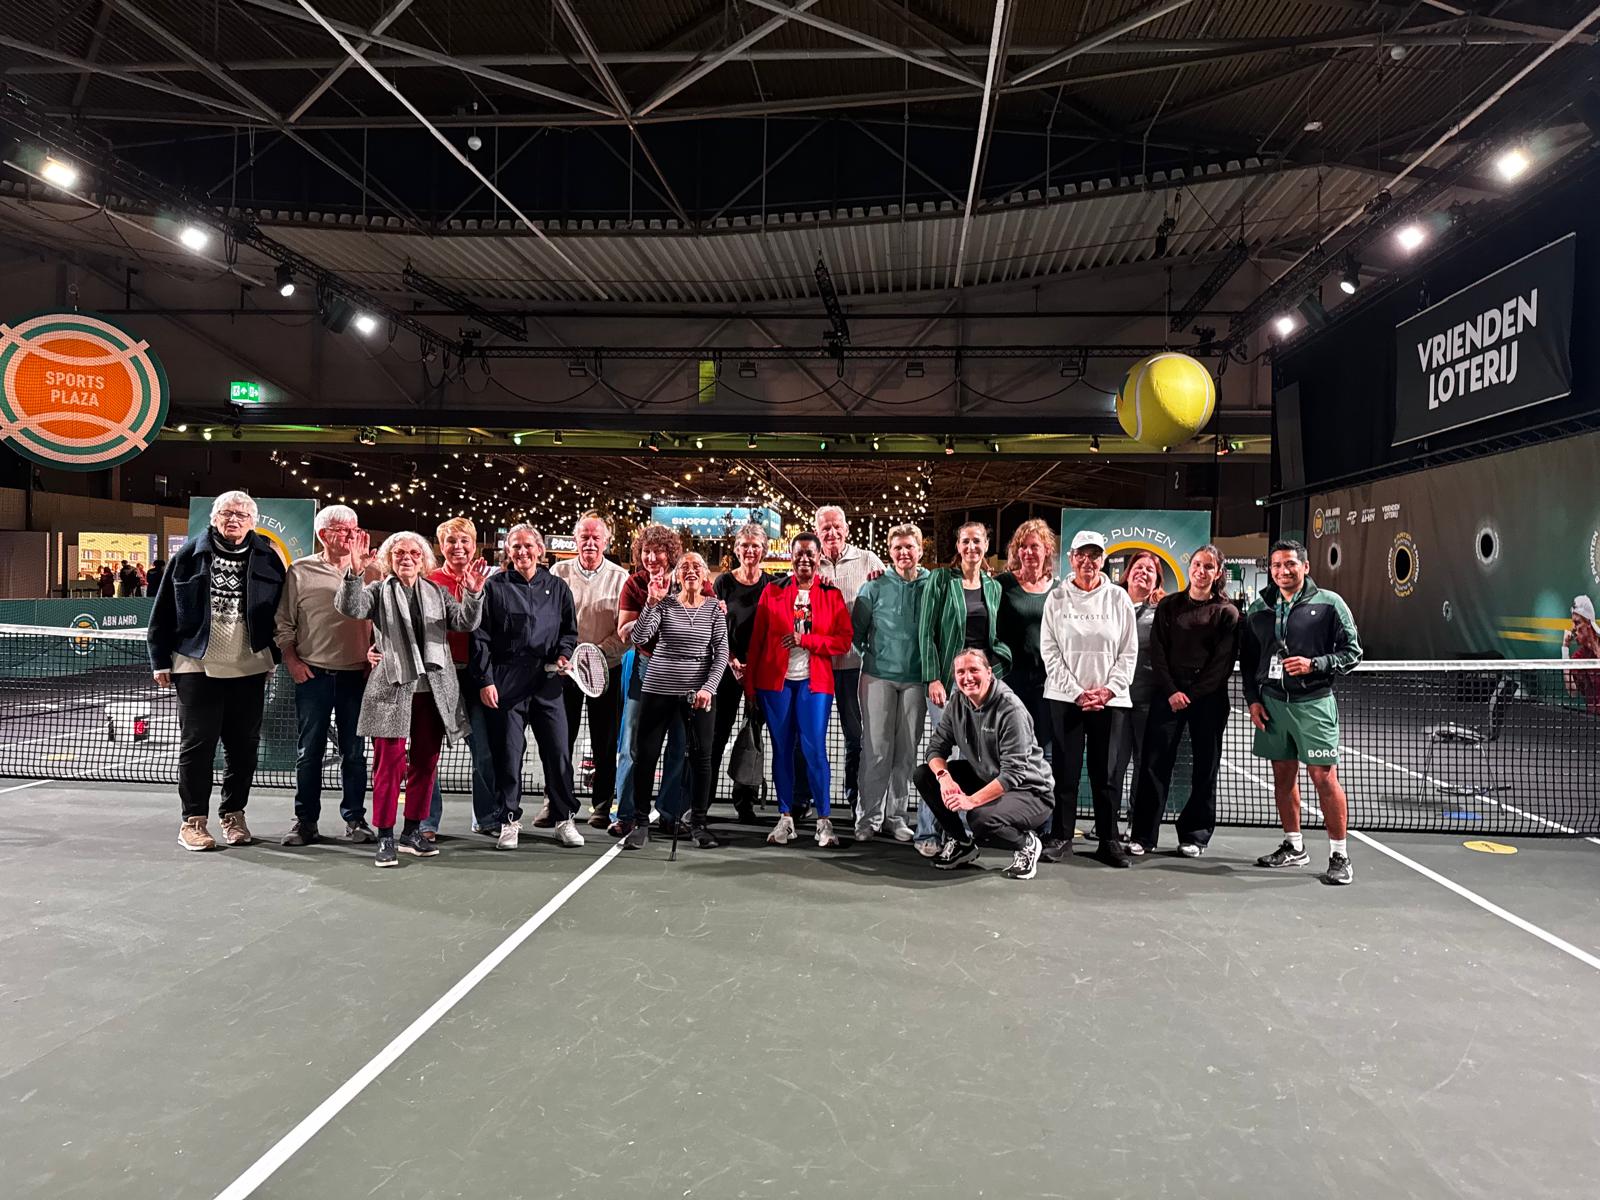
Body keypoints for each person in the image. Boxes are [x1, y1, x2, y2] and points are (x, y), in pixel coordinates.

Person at [337, 529, 487, 867]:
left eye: (414, 553)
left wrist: (474, 594)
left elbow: (464, 622)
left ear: (423, 560)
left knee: (426, 763)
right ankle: (386, 835)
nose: (407, 558)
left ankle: (413, 831)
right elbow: (350, 607)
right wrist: (355, 572)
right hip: (391, 690)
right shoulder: (376, 591)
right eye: (399, 552)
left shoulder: (436, 590)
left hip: (433, 691)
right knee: (387, 766)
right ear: (389, 559)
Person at [148, 491, 285, 852]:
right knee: (198, 747)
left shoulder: (269, 559)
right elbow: (162, 611)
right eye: (226, 513)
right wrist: (159, 660)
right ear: (214, 518)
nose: (234, 520)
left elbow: (281, 616)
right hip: (195, 665)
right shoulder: (187, 556)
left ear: (252, 521)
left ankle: (233, 814)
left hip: (250, 668)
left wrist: (273, 655)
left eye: (241, 514)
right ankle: (193, 822)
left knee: (244, 748)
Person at [1240, 539, 1363, 886]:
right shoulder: (1259, 607)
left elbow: (1353, 652)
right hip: (1272, 704)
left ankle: (1340, 855)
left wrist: (1315, 664)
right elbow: (1249, 661)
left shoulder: (1329, 603)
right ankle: (1294, 847)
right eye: (1277, 565)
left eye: (1290, 564)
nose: (1283, 570)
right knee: (1283, 777)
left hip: (1314, 704)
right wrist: (1252, 699)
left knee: (1324, 778)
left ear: (1305, 567)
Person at [472, 524, 582, 852]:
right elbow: (481, 637)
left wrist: (564, 655)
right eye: (515, 547)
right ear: (508, 552)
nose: (522, 552)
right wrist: (486, 679)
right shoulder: (494, 587)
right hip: (506, 681)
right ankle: (508, 820)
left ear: (539, 550)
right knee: (508, 754)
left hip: (548, 683)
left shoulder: (558, 588)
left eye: (527, 546)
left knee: (559, 753)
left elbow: (569, 632)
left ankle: (564, 819)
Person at [275, 504, 379, 846]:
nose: (352, 535)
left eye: (355, 529)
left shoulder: (372, 571)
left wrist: (375, 658)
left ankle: (355, 819)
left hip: (357, 678)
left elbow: (382, 623)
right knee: (310, 752)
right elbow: (284, 624)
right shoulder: (300, 571)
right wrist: (292, 661)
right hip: (313, 676)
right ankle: (305, 822)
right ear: (323, 535)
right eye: (343, 530)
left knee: (354, 752)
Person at [1127, 545, 1240, 857]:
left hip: (1209, 700)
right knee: (1153, 765)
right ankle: (1143, 836)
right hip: (1168, 694)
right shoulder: (1169, 606)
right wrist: (1173, 690)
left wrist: (1192, 694)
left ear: (1218, 573)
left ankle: (1195, 835)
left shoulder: (1228, 614)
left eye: (1208, 567)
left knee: (1206, 767)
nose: (1200, 572)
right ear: (1189, 568)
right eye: (1196, 565)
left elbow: (1222, 664)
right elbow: (1159, 652)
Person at [746, 531, 853, 847]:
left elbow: (843, 641)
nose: (804, 559)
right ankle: (785, 819)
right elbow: (757, 642)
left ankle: (824, 821)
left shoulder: (831, 595)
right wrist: (751, 688)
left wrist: (806, 641)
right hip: (774, 684)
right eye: (799, 554)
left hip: (814, 682)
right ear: (790, 557)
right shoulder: (772, 591)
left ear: (819, 557)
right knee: (781, 749)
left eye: (810, 554)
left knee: (814, 749)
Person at [1040, 530, 1138, 868]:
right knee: (1065, 772)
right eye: (1082, 554)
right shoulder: (1055, 599)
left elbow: (1129, 651)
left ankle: (1109, 840)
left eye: (1095, 555)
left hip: (1111, 702)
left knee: (1108, 774)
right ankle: (1061, 837)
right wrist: (1076, 692)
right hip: (1065, 699)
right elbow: (1049, 651)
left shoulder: (1119, 599)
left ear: (1103, 559)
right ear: (1071, 558)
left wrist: (1108, 690)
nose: (1088, 561)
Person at [912, 649, 1052, 881]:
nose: (967, 677)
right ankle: (962, 843)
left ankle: (1026, 843)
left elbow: (1012, 775)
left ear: (989, 673)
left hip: (1030, 792)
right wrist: (944, 777)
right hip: (988, 777)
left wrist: (970, 801)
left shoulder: (1010, 709)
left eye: (974, 670)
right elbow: (936, 749)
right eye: (961, 672)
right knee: (924, 774)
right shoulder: (957, 702)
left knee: (979, 818)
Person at [915, 521, 1011, 854]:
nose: (971, 547)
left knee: (971, 758)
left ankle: (959, 831)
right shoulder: (941, 579)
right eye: (965, 541)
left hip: (979, 687)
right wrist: (933, 677)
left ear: (986, 545)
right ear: (958, 546)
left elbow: (993, 638)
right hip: (947, 681)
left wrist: (998, 669)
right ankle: (928, 833)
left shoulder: (993, 587)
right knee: (942, 757)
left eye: (977, 541)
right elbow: (926, 631)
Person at [624, 552, 729, 850]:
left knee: (701, 759)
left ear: (706, 576)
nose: (691, 570)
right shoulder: (665, 604)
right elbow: (641, 637)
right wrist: (651, 602)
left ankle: (698, 823)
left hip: (698, 696)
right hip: (658, 691)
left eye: (697, 566)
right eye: (685, 567)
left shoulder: (713, 610)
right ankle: (641, 823)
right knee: (646, 756)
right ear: (677, 575)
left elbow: (721, 652)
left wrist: (709, 687)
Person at [421, 517, 499, 840]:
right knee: (429, 751)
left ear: (474, 545)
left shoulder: (489, 582)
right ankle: (426, 822)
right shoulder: (426, 582)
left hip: (475, 677)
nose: (458, 547)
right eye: (451, 541)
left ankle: (486, 817)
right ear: (441, 547)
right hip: (437, 676)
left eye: (465, 541)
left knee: (484, 749)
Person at [550, 512, 630, 828]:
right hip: (565, 672)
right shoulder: (558, 573)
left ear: (606, 542)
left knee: (605, 742)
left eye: (596, 537)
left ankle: (601, 806)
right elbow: (550, 622)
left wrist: (595, 654)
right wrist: (566, 655)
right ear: (575, 540)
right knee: (559, 740)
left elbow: (625, 631)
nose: (590, 542)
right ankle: (555, 803)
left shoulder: (620, 578)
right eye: (584, 536)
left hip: (604, 671)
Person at [852, 523, 929, 842]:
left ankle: (896, 817)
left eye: (909, 547)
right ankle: (868, 817)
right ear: (890, 552)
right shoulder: (872, 587)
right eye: (897, 547)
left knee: (906, 753)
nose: (903, 553)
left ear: (920, 550)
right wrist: (877, 655)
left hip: (916, 681)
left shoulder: (933, 584)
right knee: (876, 751)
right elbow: (856, 634)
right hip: (877, 678)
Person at [614, 524, 689, 838]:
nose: (652, 557)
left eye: (658, 551)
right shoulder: (635, 584)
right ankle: (627, 813)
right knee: (632, 743)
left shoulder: (690, 579)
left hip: (684, 674)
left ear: (671, 553)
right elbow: (624, 632)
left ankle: (670, 813)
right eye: (646, 551)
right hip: (644, 668)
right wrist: (651, 605)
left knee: (680, 745)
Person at [812, 506, 885, 812]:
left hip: (855, 666)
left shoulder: (868, 559)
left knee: (856, 737)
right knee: (811, 738)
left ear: (846, 528)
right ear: (817, 532)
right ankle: (808, 798)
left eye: (836, 526)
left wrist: (883, 580)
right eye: (825, 528)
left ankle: (856, 797)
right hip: (818, 668)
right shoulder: (809, 562)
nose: (831, 532)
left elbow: (887, 597)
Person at [711, 523, 772, 823]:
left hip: (758, 675)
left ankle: (744, 802)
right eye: (745, 545)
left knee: (753, 739)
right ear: (736, 550)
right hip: (725, 671)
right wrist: (732, 659)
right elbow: (714, 626)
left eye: (756, 546)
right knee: (716, 735)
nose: (750, 551)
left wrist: (753, 667)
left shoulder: (772, 585)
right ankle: (701, 800)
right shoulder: (722, 583)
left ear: (764, 550)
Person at [1107, 549, 1165, 838]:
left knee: (1143, 766)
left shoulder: (1162, 612)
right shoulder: (1109, 605)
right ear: (1127, 573)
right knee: (1112, 766)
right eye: (1138, 567)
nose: (1143, 572)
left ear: (1156, 582)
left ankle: (1136, 824)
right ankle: (1107, 824)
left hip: (1147, 702)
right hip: (1114, 700)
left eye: (1150, 570)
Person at [995, 518, 1059, 751]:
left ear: (1047, 550)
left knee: (1043, 748)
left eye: (1035, 546)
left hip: (1047, 684)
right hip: (1010, 681)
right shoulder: (1002, 585)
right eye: (1023, 547)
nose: (1028, 552)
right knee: (1011, 747)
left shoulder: (1059, 590)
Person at [1563, 595, 1600, 716]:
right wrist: (1565, 648)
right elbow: (1572, 691)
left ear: (1588, 623)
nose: (1573, 628)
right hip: (1595, 722)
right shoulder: (1579, 657)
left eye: (1577, 622)